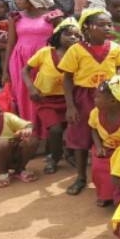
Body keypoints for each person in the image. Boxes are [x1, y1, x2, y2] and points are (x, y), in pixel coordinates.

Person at [60, 8, 120, 195]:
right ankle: (81, 176)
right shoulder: (76, 50)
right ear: (88, 27)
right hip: (84, 97)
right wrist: (71, 106)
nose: (107, 27)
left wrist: (119, 84)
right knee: (81, 136)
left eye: (109, 24)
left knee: (112, 133)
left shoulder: (115, 48)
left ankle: (119, 176)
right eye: (101, 24)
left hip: (110, 97)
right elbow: (67, 78)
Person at [22, 18, 80, 174]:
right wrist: (31, 87)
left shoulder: (78, 55)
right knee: (55, 130)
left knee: (71, 128)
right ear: (58, 35)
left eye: (77, 36)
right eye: (68, 34)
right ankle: (53, 158)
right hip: (45, 99)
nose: (73, 38)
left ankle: (67, 153)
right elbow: (25, 70)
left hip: (68, 99)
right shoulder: (45, 52)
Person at [5, 0, 57, 123]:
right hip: (20, 61)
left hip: (45, 60)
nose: (16, 2)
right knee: (23, 94)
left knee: (44, 92)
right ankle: (28, 127)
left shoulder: (53, 17)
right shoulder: (16, 17)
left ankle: (46, 129)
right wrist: (5, 71)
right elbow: (10, 43)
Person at [90, 75, 120, 206]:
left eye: (98, 97)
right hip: (106, 149)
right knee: (99, 167)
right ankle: (105, 194)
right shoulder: (95, 113)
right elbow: (93, 129)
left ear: (113, 101)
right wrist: (99, 147)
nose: (94, 99)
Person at [0, 91, 38, 188]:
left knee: (32, 140)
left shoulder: (6, 117)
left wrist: (27, 130)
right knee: (2, 143)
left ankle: (20, 170)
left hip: (15, 152)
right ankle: (3, 173)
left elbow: (28, 124)